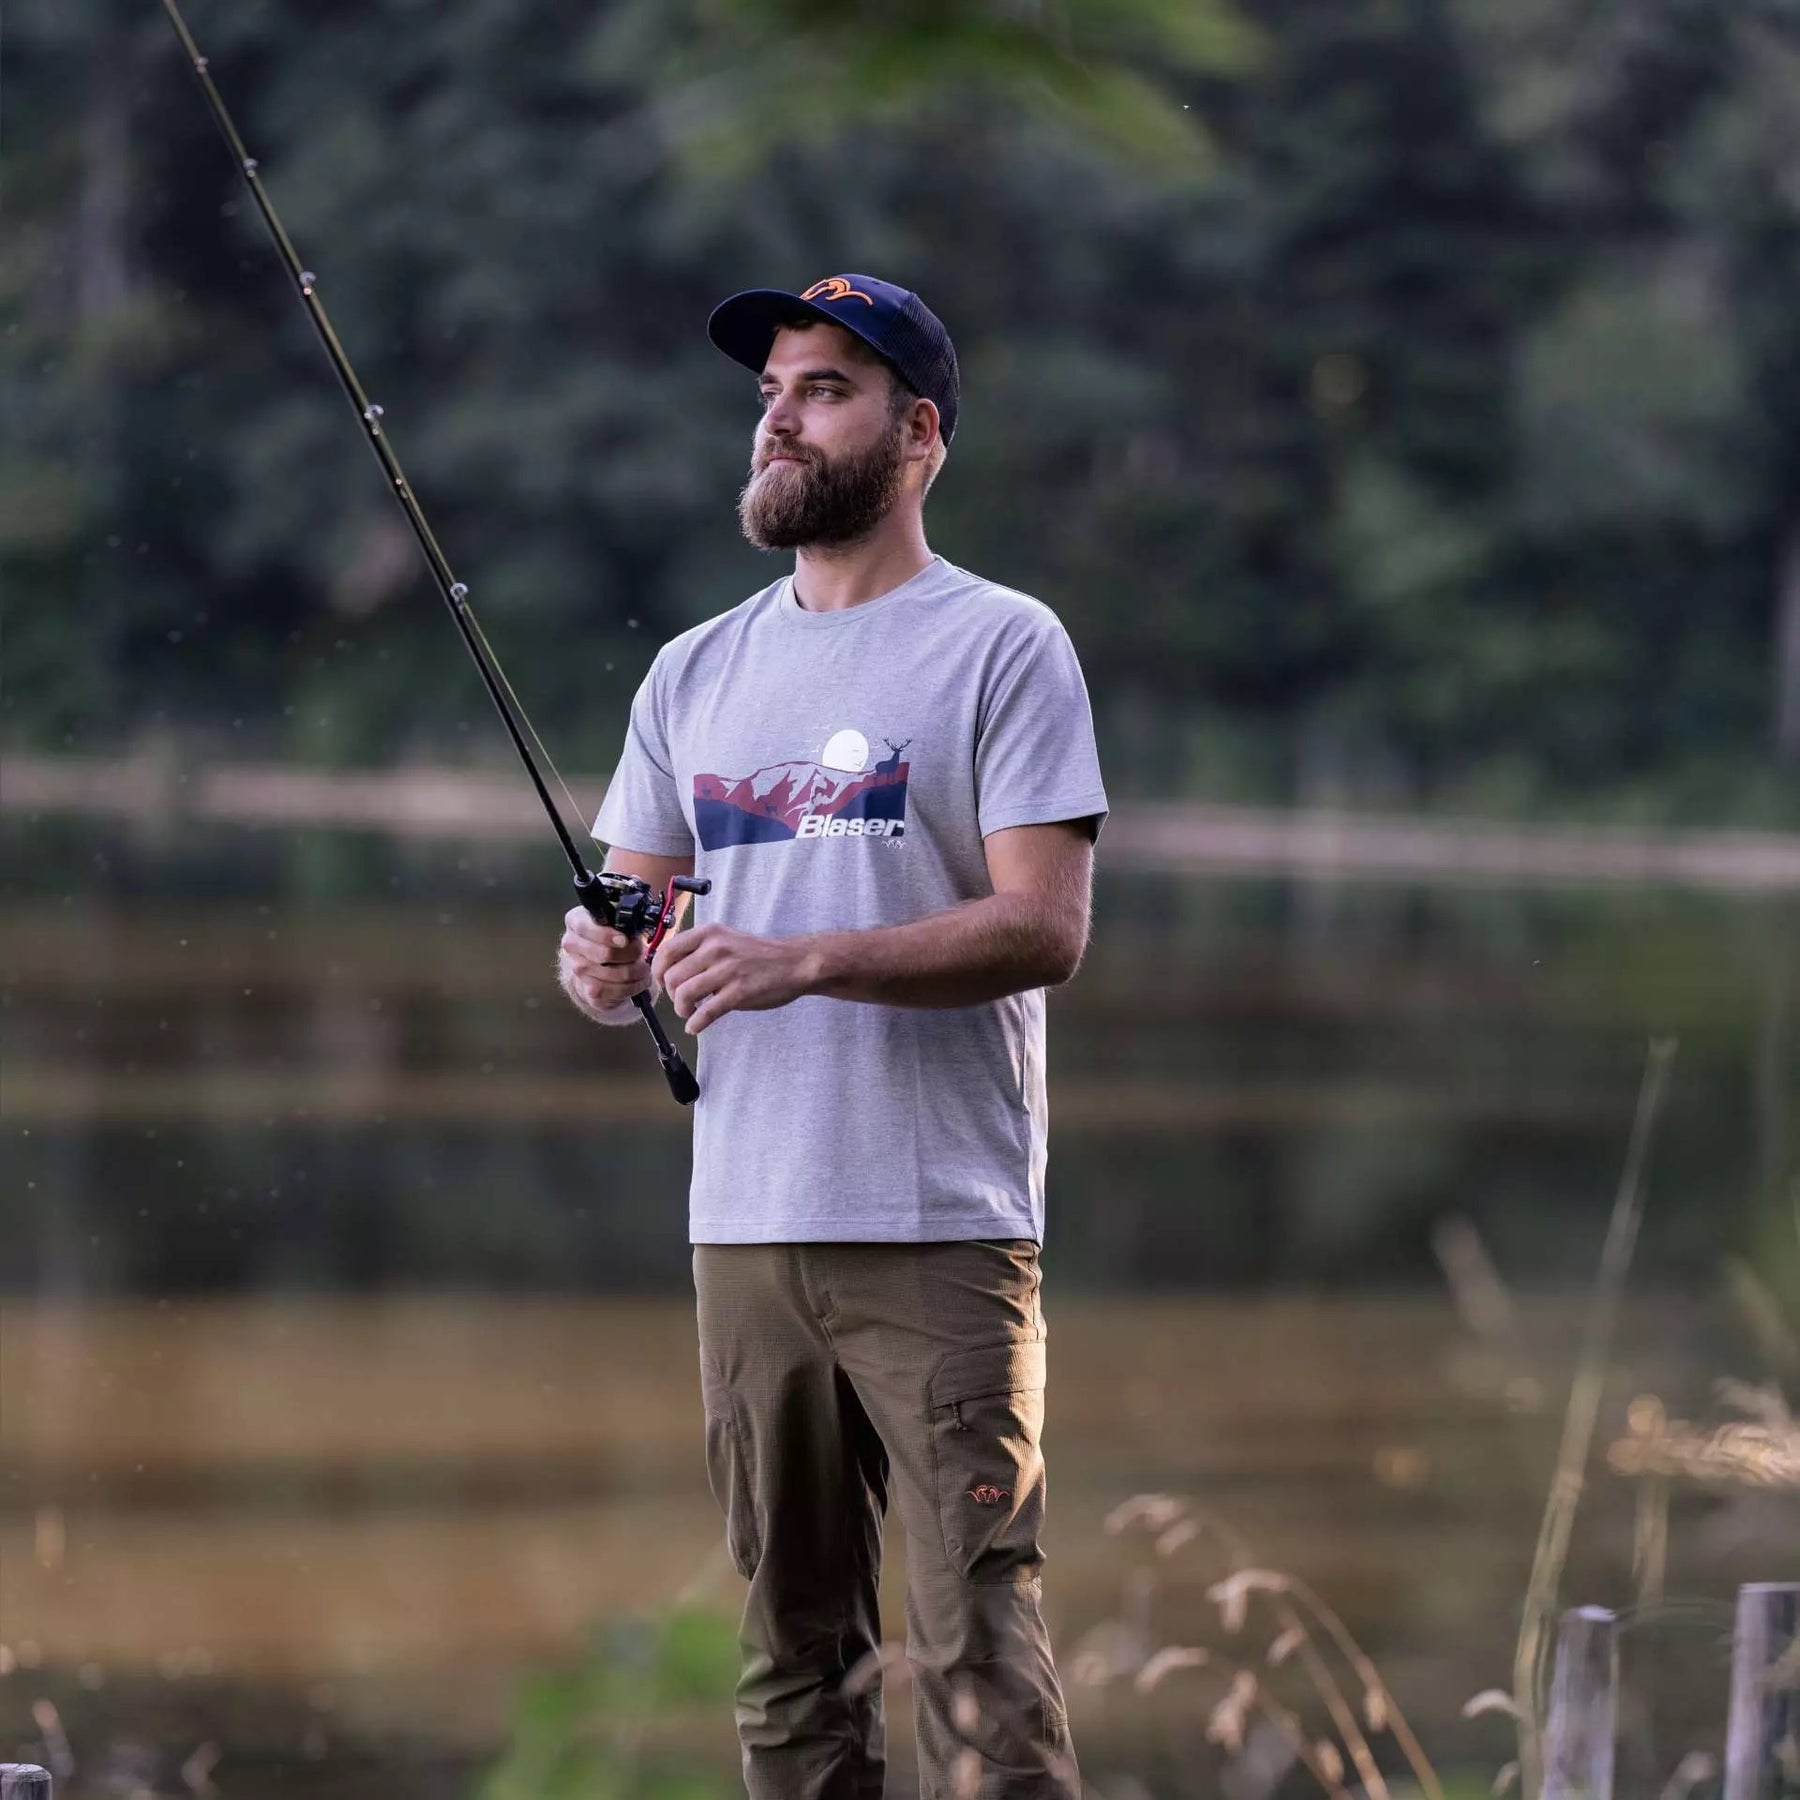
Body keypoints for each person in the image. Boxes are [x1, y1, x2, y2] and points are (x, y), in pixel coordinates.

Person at [557, 272, 1106, 1799]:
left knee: (976, 1653)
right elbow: (634, 923)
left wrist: (804, 959)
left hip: (937, 1225)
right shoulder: (695, 670)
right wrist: (602, 964)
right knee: (789, 1659)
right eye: (771, 393)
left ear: (917, 433)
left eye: (826, 391)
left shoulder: (1003, 646)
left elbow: (1043, 928)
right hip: (742, 1226)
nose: (781, 421)